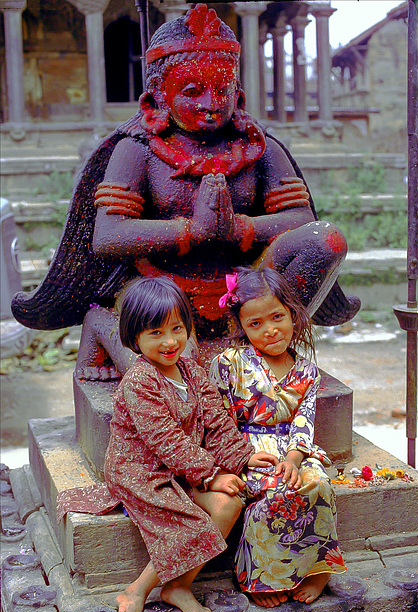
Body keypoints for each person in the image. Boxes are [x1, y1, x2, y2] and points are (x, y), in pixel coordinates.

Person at [11, 3, 359, 378]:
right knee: (177, 379)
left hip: (246, 282)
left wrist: (239, 228)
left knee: (328, 241)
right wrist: (192, 231)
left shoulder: (259, 148)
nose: (211, 105)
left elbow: (301, 220)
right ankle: (102, 323)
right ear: (157, 97)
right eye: (192, 91)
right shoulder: (138, 149)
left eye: (222, 90)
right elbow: (107, 236)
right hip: (161, 288)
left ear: (238, 95)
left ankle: (255, 344)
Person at [57, 276, 278, 612]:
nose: (171, 341)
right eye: (156, 333)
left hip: (181, 468)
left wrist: (241, 456)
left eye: (177, 328)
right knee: (187, 521)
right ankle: (138, 589)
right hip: (141, 471)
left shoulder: (191, 371)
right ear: (135, 337)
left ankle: (178, 585)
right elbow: (166, 440)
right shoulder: (139, 381)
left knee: (228, 504)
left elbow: (215, 419)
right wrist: (211, 475)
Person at [209, 267, 346, 608]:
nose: (270, 330)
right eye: (255, 324)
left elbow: (304, 418)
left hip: (291, 449)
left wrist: (295, 459)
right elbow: (218, 419)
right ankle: (264, 577)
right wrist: (236, 458)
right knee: (273, 493)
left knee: (318, 484)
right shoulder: (229, 363)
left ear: (293, 315)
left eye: (277, 317)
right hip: (247, 450)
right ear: (241, 327)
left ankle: (319, 569)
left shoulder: (306, 371)